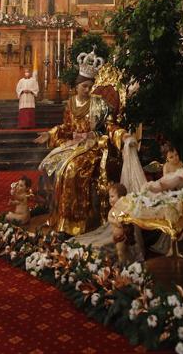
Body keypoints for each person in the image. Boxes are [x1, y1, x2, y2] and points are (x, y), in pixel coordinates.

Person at [35, 49, 125, 235]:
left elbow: (109, 126)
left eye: (90, 86)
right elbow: (66, 127)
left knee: (71, 170)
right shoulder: (70, 104)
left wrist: (121, 135)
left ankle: (75, 222)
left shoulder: (99, 103)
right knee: (50, 166)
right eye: (84, 86)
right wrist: (50, 134)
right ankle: (58, 216)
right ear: (77, 86)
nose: (88, 89)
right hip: (72, 145)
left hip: (91, 147)